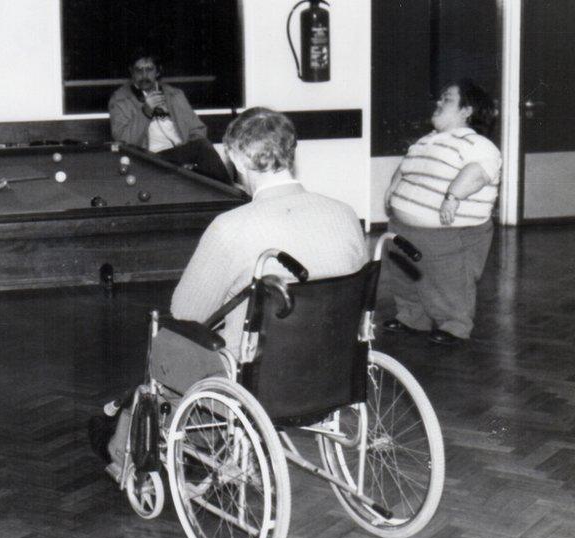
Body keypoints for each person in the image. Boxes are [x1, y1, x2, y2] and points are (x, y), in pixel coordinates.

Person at [91, 107, 367, 474]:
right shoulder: (345, 214)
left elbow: (187, 311)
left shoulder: (231, 227)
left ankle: (126, 449)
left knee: (169, 339)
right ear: (290, 152)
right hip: (336, 370)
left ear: (236, 157)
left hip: (260, 379)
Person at [382, 79, 500, 345]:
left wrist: (452, 196)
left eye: (447, 99)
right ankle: (412, 317)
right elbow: (406, 168)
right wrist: (392, 191)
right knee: (405, 277)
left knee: (448, 282)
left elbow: (478, 173)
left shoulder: (477, 144)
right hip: (404, 228)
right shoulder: (427, 141)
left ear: (466, 111)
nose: (438, 102)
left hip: (447, 234)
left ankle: (454, 326)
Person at [108, 51, 233, 184]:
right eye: (139, 70)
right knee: (202, 148)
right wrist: (145, 113)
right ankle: (233, 193)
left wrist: (190, 158)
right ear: (131, 72)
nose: (144, 75)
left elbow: (197, 130)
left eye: (149, 69)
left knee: (202, 147)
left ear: (158, 72)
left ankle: (229, 192)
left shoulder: (174, 94)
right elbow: (123, 142)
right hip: (147, 160)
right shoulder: (120, 100)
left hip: (178, 156)